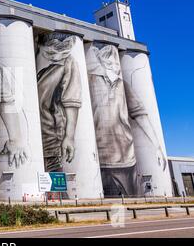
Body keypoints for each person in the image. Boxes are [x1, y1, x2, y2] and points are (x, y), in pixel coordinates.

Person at [87, 44, 140, 196]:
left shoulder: (122, 83)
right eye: (109, 63)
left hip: (128, 157)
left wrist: (156, 146)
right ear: (101, 62)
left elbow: (139, 114)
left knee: (131, 195)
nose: (115, 66)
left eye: (116, 62)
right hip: (103, 157)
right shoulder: (91, 80)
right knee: (104, 193)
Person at [36, 32, 82, 173]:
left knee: (55, 188)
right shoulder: (29, 58)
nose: (56, 57)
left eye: (63, 54)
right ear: (39, 45)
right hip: (33, 140)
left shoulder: (68, 62)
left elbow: (71, 101)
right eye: (50, 52)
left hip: (51, 140)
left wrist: (69, 137)